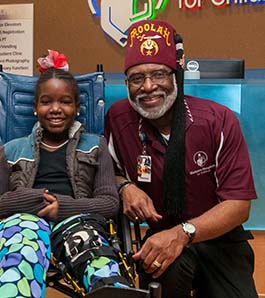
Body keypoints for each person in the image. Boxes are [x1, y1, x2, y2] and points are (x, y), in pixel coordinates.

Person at [105, 19, 258, 298]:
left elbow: (238, 205)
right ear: (127, 83)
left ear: (176, 76)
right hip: (160, 239)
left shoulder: (217, 120)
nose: (148, 87)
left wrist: (183, 233)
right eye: (137, 78)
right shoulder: (118, 119)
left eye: (159, 75)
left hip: (221, 239)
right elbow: (107, 172)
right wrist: (125, 186)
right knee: (163, 270)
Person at [0, 50, 129, 298]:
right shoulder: (11, 150)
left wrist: (61, 207)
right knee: (23, 246)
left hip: (77, 221)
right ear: (35, 108)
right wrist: (37, 199)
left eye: (65, 101)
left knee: (94, 254)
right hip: (23, 223)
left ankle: (112, 289)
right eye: (47, 101)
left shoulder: (96, 145)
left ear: (77, 107)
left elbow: (109, 203)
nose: (56, 109)